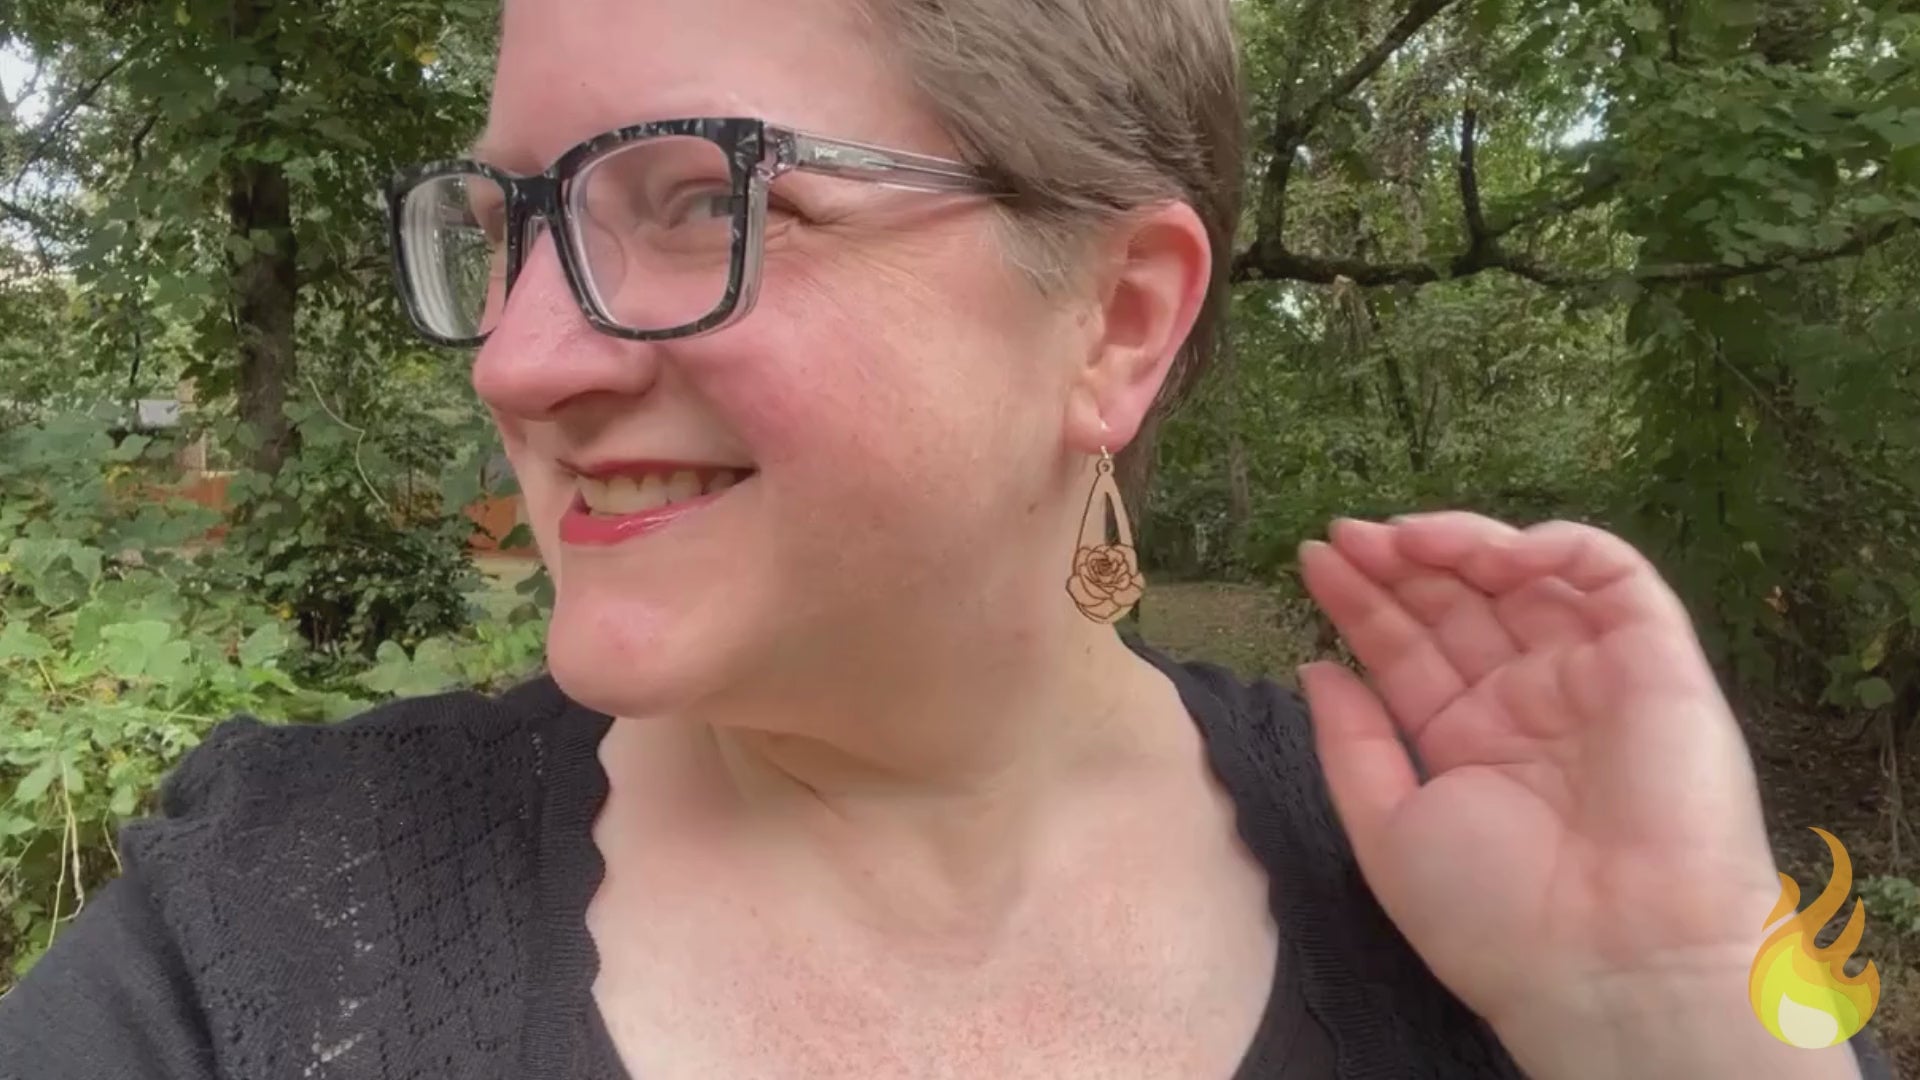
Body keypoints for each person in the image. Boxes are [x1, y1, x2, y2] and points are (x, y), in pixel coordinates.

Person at [0, 0, 1896, 1077]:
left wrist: (1679, 1012)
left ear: (1116, 319)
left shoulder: (1471, 921)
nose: (519, 351)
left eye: (697, 203)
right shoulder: (257, 936)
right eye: (507, 224)